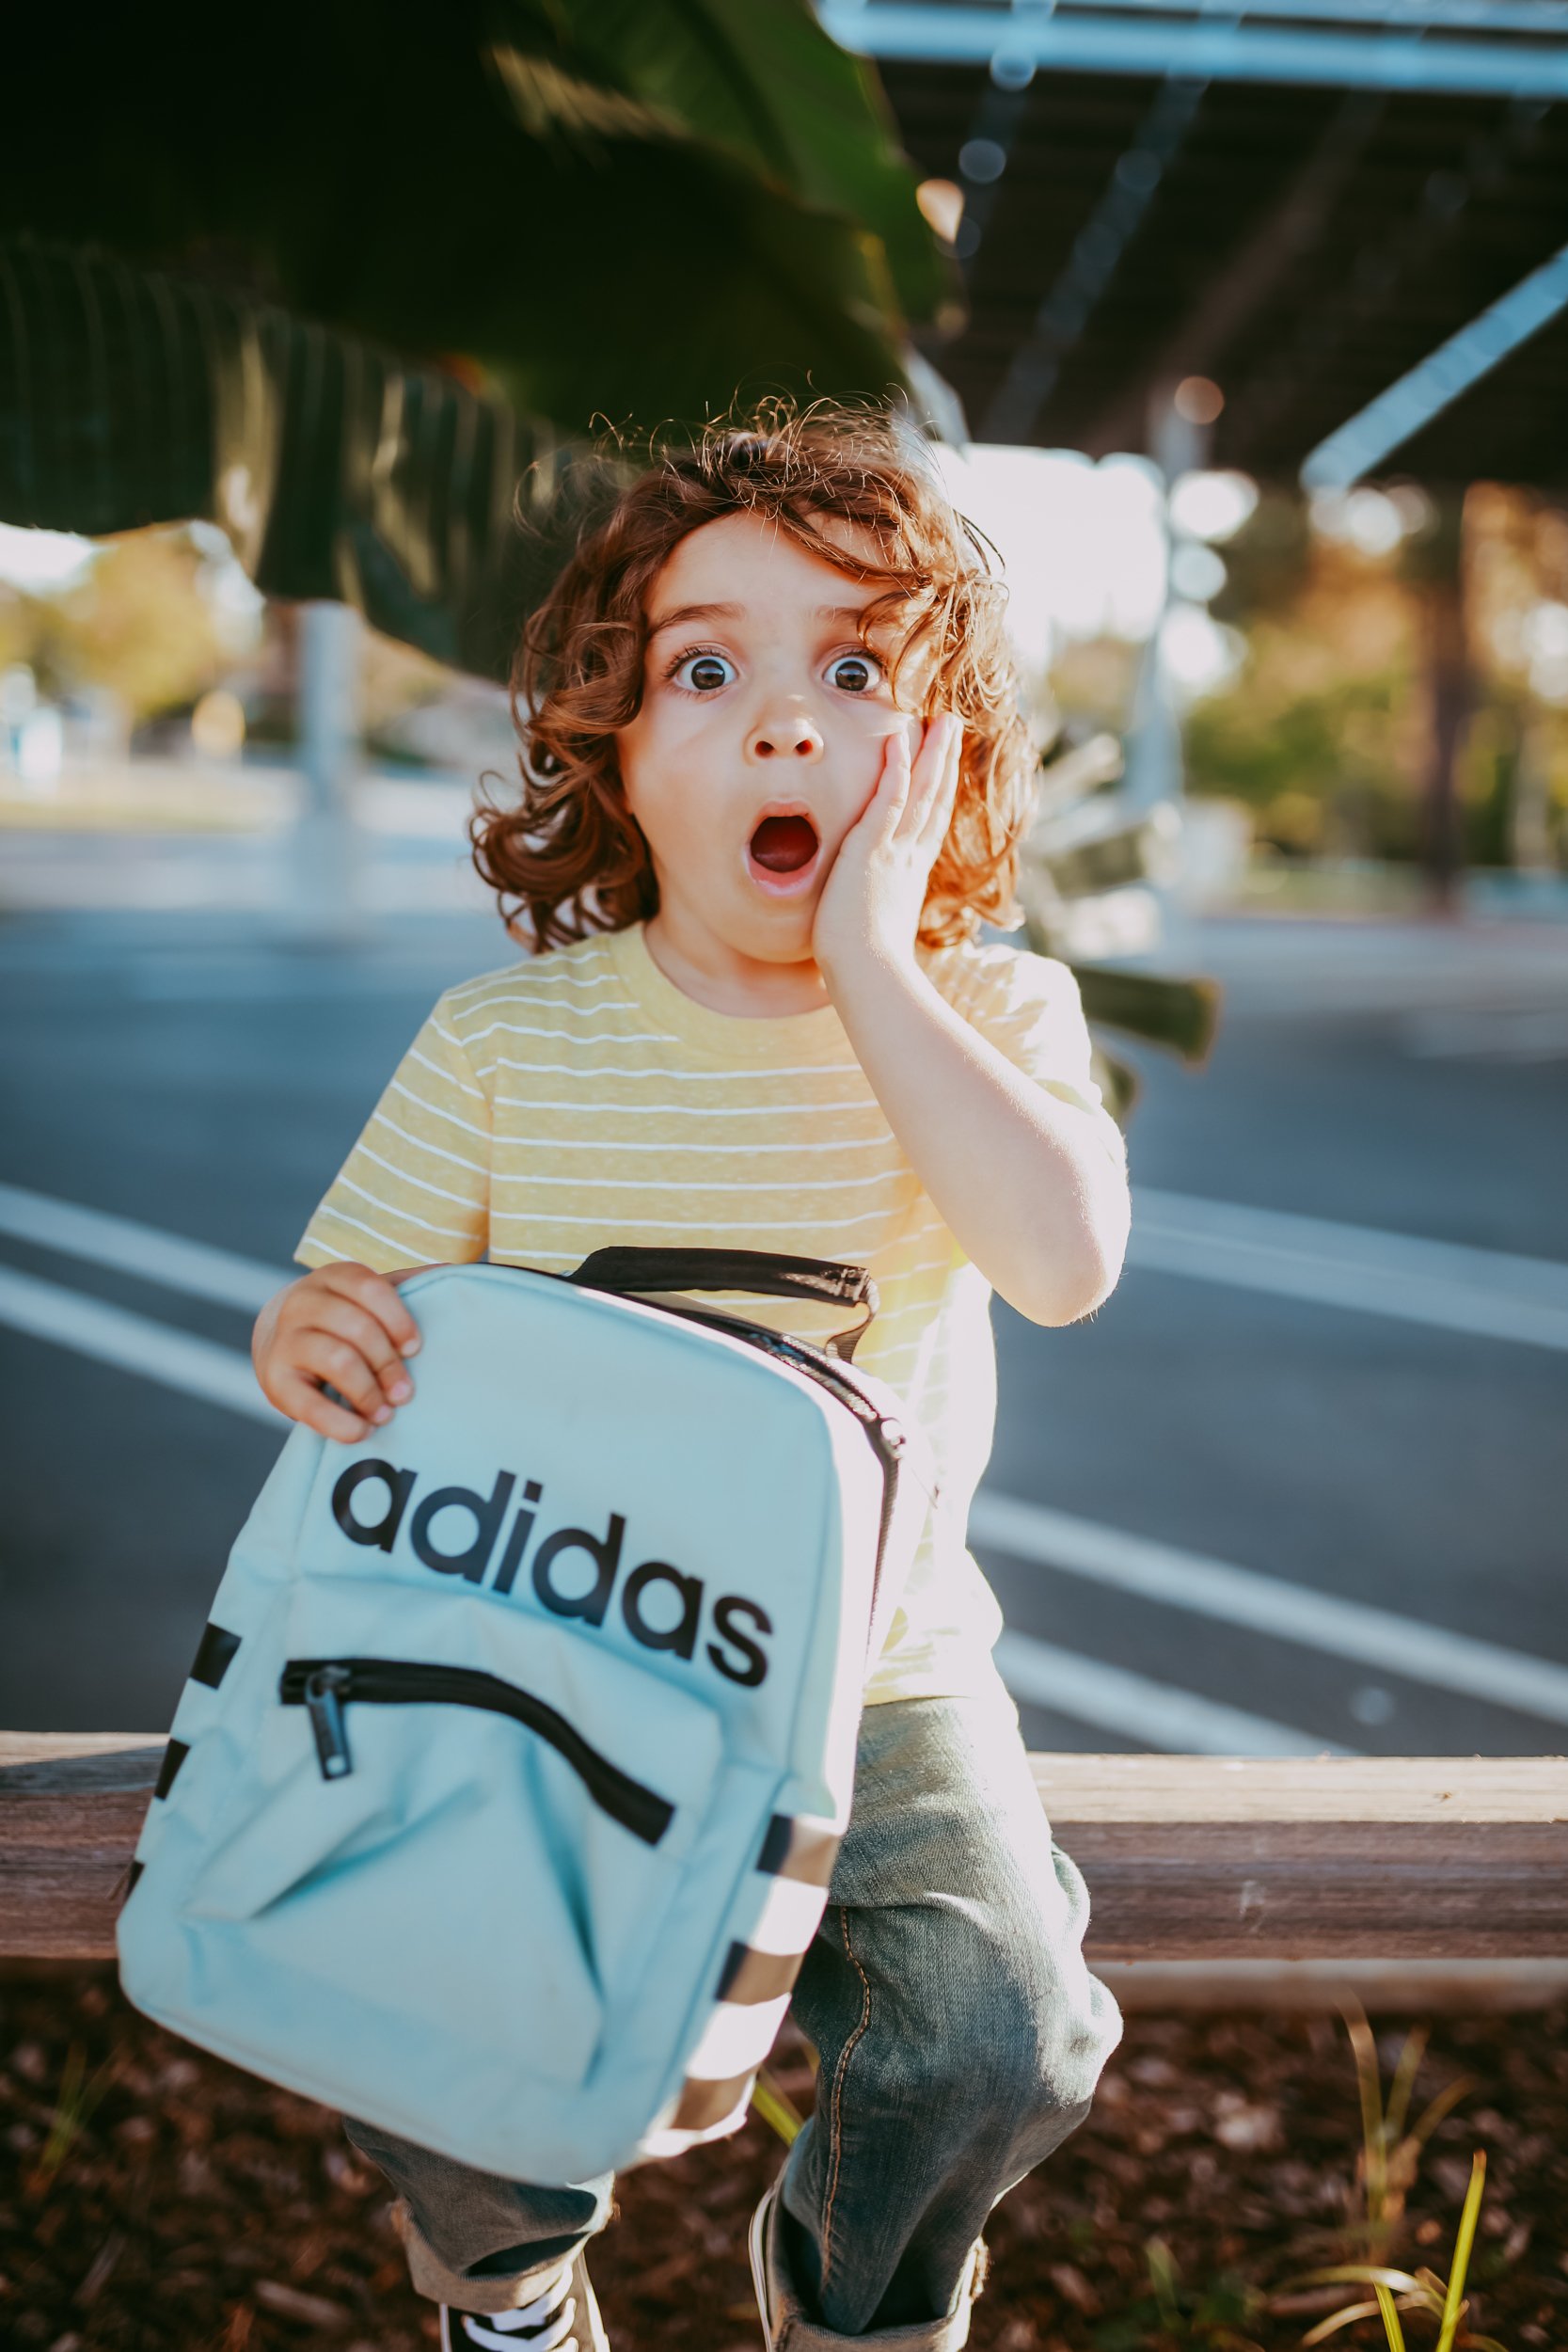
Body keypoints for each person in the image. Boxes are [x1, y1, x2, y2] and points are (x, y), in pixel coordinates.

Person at [250, 405, 1131, 2352]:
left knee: (1004, 2026)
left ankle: (851, 2305)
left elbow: (1063, 1263)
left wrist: (880, 962)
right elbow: (347, 1296)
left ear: (943, 755)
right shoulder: (507, 1040)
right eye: (707, 668)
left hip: (877, 1670)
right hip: (553, 1648)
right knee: (469, 2025)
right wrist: (299, 1335)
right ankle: (508, 2292)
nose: (784, 721)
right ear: (619, 755)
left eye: (853, 669)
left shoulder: (987, 1010)